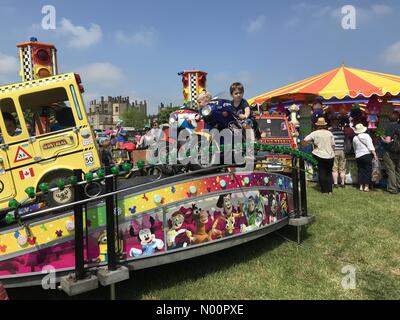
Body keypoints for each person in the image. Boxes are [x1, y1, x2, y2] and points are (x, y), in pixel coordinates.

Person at [303, 117, 335, 194]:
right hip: (330, 155)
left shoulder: (315, 133)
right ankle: (329, 190)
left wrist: (312, 143)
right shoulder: (329, 133)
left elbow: (305, 140)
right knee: (328, 173)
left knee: (321, 172)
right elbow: (333, 145)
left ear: (317, 125)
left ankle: (324, 190)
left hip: (319, 154)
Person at [352, 123, 377, 192]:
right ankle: (366, 186)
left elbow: (354, 148)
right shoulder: (366, 136)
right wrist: (374, 154)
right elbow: (370, 146)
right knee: (367, 170)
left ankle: (360, 186)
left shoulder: (355, 138)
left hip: (358, 155)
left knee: (360, 170)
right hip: (366, 154)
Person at [381, 111, 400, 194]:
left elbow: (388, 141)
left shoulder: (389, 127)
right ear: (398, 118)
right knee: (398, 170)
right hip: (399, 151)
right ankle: (398, 186)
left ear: (389, 119)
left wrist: (382, 138)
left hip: (389, 151)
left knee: (391, 170)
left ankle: (392, 189)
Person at [329, 116, 346, 188]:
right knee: (342, 168)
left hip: (334, 151)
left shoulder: (331, 132)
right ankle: (342, 183)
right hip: (342, 151)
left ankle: (335, 183)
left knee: (334, 168)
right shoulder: (342, 132)